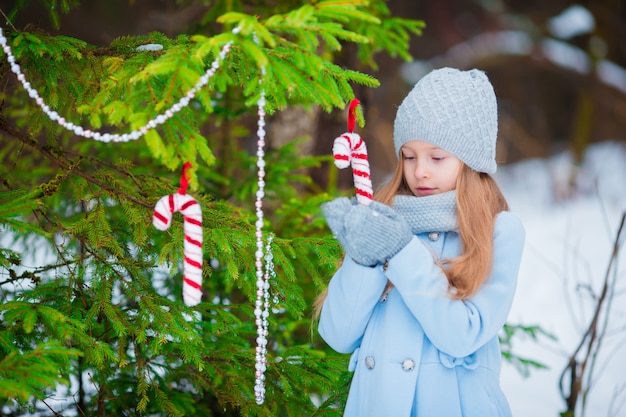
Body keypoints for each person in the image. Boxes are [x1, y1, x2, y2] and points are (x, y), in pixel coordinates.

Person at [317, 67, 525, 417]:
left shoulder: (498, 231)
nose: (420, 171)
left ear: (471, 159)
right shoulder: (385, 220)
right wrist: (364, 259)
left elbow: (462, 336)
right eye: (409, 156)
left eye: (437, 157)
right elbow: (338, 335)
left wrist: (401, 251)